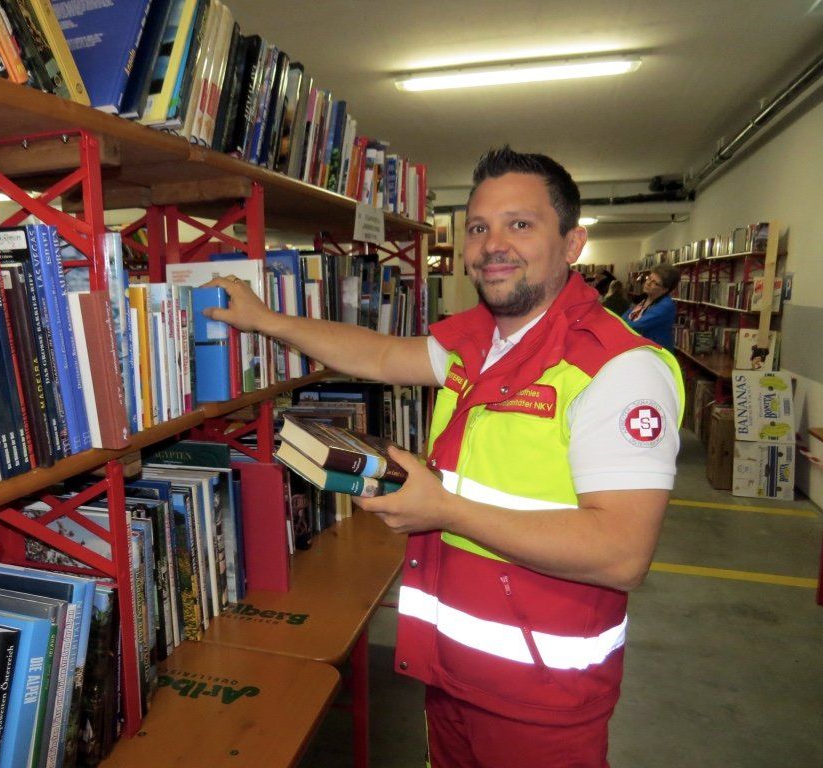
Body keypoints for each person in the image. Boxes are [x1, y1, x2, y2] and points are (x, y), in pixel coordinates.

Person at [204, 146, 683, 767]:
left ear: (572, 243)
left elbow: (622, 554)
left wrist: (446, 510)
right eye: (478, 228)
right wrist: (266, 320)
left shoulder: (617, 369)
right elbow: (378, 355)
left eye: (520, 224)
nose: (492, 245)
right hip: (449, 670)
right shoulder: (476, 341)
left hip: (541, 697)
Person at [624, 264, 681, 351]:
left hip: (656, 353)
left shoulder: (666, 306)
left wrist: (618, 325)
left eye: (655, 283)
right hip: (642, 349)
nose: (648, 283)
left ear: (665, 290)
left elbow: (636, 325)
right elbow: (624, 317)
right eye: (649, 278)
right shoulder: (646, 299)